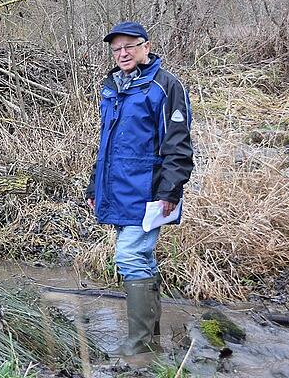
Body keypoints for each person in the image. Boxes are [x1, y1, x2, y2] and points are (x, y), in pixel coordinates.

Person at [84, 21, 194, 356]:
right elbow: (107, 146)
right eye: (116, 49)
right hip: (117, 190)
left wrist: (169, 192)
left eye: (129, 46)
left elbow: (178, 146)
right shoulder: (113, 87)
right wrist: (94, 188)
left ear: (145, 46)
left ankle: (139, 346)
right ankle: (152, 344)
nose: (122, 53)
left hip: (148, 192)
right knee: (141, 257)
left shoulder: (165, 86)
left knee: (129, 256)